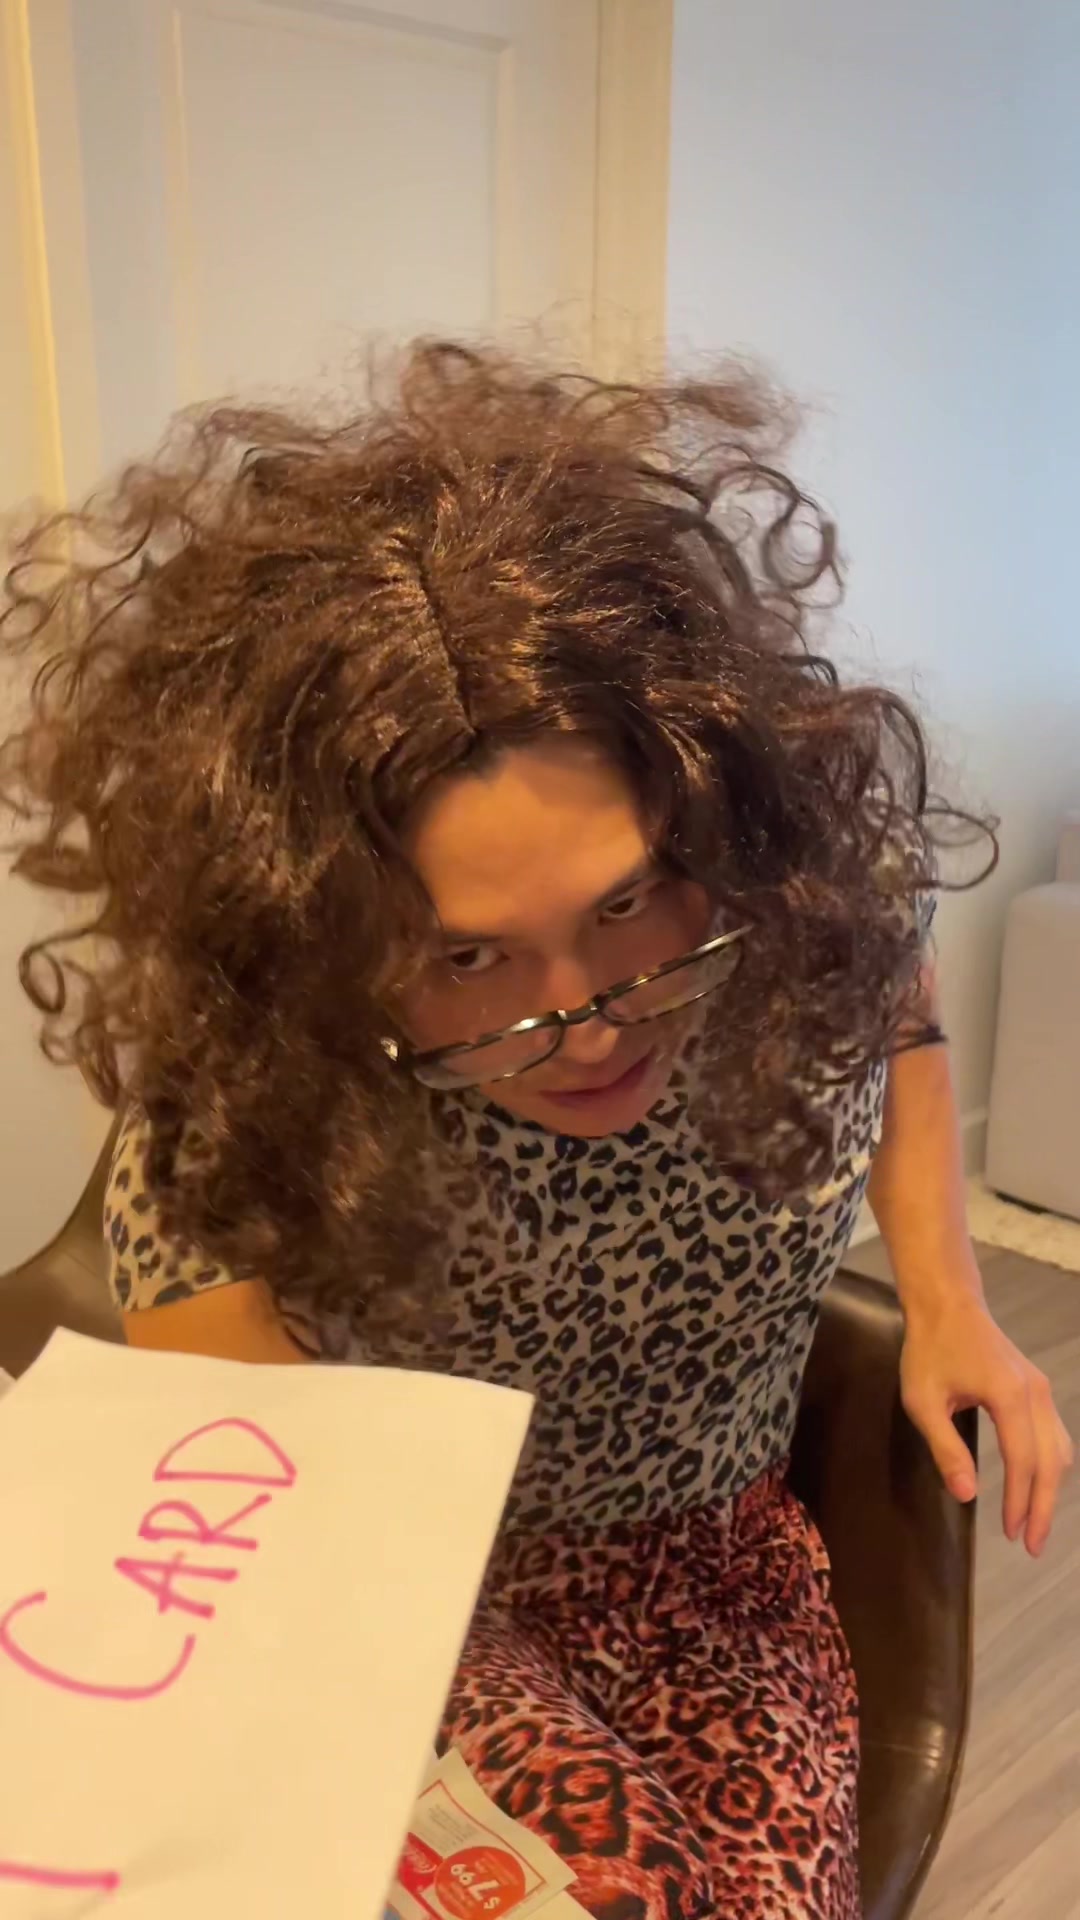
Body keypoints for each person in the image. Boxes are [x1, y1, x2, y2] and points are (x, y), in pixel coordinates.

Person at [2, 344, 1071, 1920]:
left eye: (630, 904)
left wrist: (949, 1288)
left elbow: (896, 1001)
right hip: (416, 1578)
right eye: (467, 956)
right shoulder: (271, 1074)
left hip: (714, 1573)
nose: (588, 1025)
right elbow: (272, 1511)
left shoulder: (789, 905)